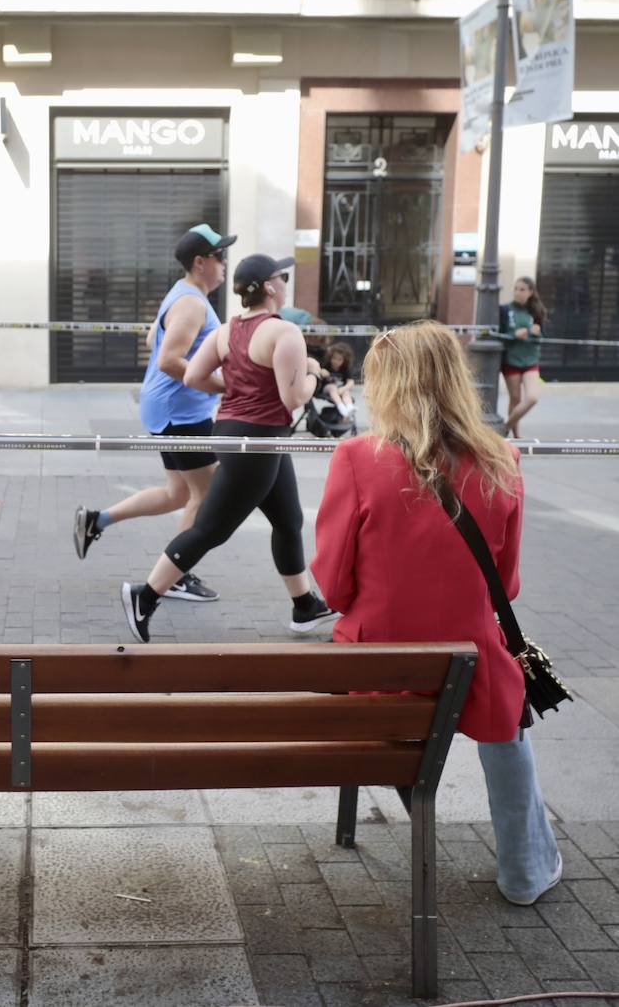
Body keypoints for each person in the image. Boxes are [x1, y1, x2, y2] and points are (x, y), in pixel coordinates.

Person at [312, 321, 561, 906]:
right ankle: (525, 870)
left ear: (389, 386)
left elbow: (331, 587)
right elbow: (508, 585)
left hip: (379, 666)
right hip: (467, 659)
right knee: (507, 710)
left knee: (412, 672)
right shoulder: (502, 459)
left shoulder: (355, 458)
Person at [120, 253, 336, 642]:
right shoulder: (284, 332)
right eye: (282, 276)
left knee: (288, 521)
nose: (285, 282)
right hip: (258, 439)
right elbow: (292, 399)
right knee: (210, 528)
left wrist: (234, 389)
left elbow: (195, 376)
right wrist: (314, 375)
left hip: (240, 432)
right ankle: (145, 596)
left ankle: (305, 606)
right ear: (269, 287)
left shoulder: (227, 331)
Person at [73, 223, 234, 602]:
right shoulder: (192, 302)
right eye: (220, 255)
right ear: (200, 262)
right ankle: (177, 574)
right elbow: (167, 358)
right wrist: (221, 384)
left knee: (178, 493)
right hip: (182, 413)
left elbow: (152, 337)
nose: (225, 263)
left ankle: (97, 520)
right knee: (206, 496)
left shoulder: (183, 295)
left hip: (170, 409)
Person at [499, 276, 546, 438]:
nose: (517, 292)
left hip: (531, 359)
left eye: (522, 289)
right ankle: (517, 437)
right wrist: (513, 335)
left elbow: (541, 337)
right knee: (515, 399)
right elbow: (498, 334)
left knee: (532, 397)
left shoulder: (536, 311)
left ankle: (505, 427)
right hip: (511, 360)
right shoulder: (505, 310)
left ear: (530, 292)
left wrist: (536, 334)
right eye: (516, 289)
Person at [320, 341, 357, 418]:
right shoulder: (327, 365)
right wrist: (322, 371)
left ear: (344, 361)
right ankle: (341, 407)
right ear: (330, 357)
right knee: (332, 387)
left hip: (339, 388)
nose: (336, 361)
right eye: (334, 358)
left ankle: (349, 407)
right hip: (327, 388)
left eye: (339, 359)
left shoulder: (345, 369)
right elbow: (319, 370)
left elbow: (351, 382)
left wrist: (344, 388)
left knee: (346, 392)